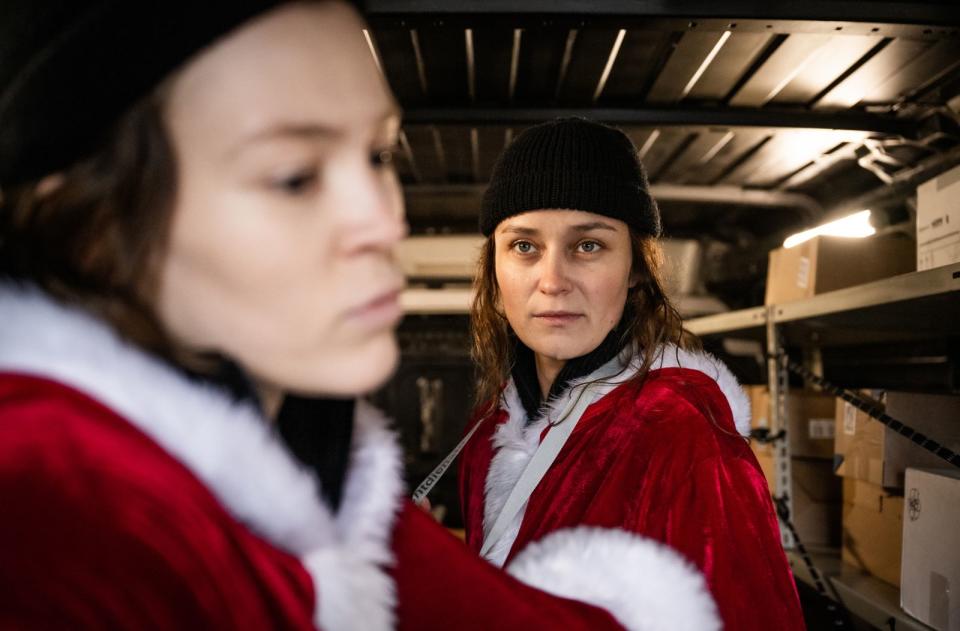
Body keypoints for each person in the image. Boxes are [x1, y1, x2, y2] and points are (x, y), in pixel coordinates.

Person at [0, 3, 721, 630]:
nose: (384, 219)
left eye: (378, 154)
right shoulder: (54, 518)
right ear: (94, 228)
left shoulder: (317, 471)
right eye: (294, 174)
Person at [458, 117, 806, 630]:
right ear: (495, 267)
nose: (551, 281)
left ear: (636, 268)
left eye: (589, 245)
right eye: (524, 246)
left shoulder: (686, 442)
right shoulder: (488, 428)